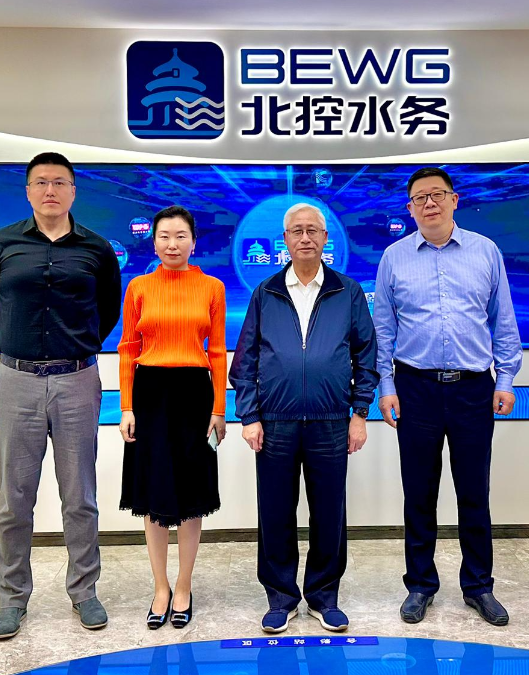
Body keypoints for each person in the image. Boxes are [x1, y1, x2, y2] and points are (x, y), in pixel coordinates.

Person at [0, 152, 121, 639]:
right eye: (41, 182)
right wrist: (18, 346)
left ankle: (84, 591)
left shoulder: (97, 249)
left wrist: (72, 347)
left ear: (74, 191)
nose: (50, 190)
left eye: (59, 182)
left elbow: (107, 311)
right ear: (28, 191)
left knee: (80, 496)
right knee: (14, 499)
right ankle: (12, 598)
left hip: (77, 379)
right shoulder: (1, 245)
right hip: (16, 380)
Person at [373, 167, 523, 626]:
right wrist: (386, 386)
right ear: (409, 208)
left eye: (438, 194)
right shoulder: (394, 257)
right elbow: (383, 328)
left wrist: (505, 379)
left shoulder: (485, 251)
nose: (430, 203)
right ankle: (420, 585)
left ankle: (479, 586)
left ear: (454, 200)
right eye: (420, 198)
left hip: (473, 388)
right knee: (419, 493)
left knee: (474, 492)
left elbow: (502, 319)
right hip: (414, 387)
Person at [229, 203, 378, 634]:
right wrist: (250, 416)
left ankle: (323, 596)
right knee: (275, 513)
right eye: (297, 230)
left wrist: (359, 413)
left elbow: (366, 356)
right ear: (286, 240)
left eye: (313, 230)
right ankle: (281, 598)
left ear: (326, 238)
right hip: (274, 421)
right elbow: (245, 361)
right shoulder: (266, 292)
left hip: (332, 421)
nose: (306, 237)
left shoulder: (347, 291)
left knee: (329, 513)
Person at [117, 205, 227, 629]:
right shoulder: (139, 287)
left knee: (191, 493)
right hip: (150, 394)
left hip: (195, 394)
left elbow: (216, 352)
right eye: (164, 236)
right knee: (154, 490)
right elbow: (128, 348)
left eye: (181, 236)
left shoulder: (212, 287)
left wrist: (219, 409)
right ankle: (160, 587)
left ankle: (183, 586)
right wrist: (126, 406)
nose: (172, 244)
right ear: (154, 241)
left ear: (193, 242)